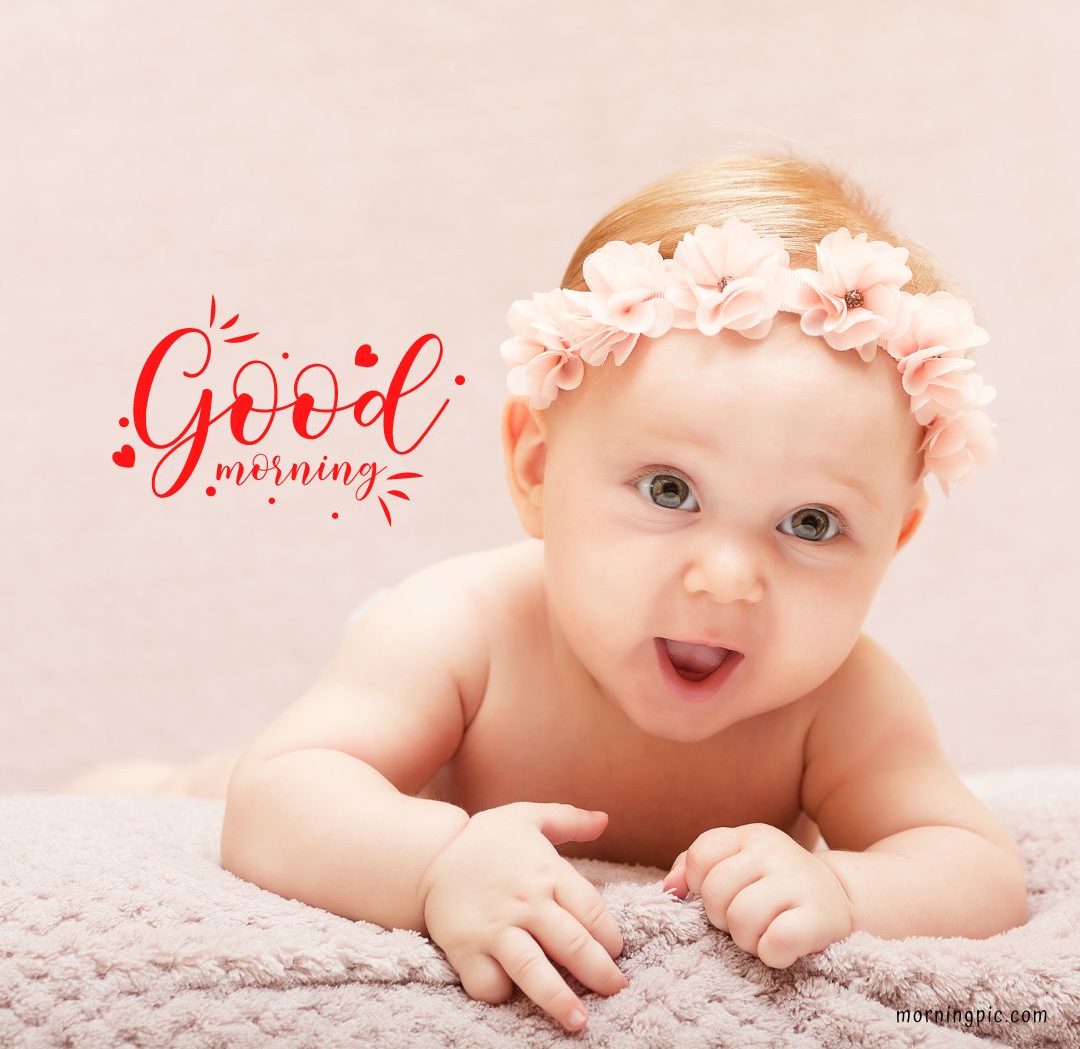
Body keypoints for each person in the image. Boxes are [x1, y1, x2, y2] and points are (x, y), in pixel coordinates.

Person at [65, 151, 1027, 1035]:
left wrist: (849, 890)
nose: (728, 580)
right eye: (669, 491)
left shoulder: (843, 698)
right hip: (410, 767)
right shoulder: (465, 623)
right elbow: (275, 799)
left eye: (810, 523)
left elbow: (974, 867)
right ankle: (148, 779)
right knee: (229, 772)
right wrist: (438, 862)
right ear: (535, 465)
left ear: (893, 539)